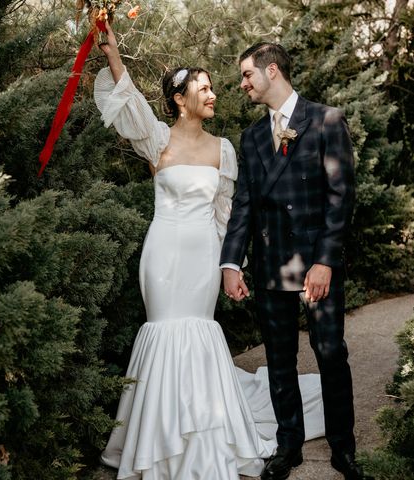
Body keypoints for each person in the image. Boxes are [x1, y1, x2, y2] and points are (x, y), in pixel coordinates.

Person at [94, 23, 325, 479]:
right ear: (181, 99)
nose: (214, 93)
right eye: (204, 88)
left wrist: (231, 266)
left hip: (203, 254)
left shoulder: (224, 149)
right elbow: (129, 97)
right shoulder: (156, 139)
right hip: (162, 252)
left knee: (199, 331)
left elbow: (227, 215)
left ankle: (205, 437)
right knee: (162, 329)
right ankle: (157, 442)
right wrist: (112, 50)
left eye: (214, 87)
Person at [221, 42, 367, 480]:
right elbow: (243, 205)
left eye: (247, 75)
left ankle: (344, 449)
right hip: (269, 266)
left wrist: (324, 261)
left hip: (316, 265)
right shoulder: (251, 136)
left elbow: (341, 198)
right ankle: (288, 448)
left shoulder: (326, 120)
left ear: (271, 71)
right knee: (280, 360)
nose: (243, 83)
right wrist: (231, 263)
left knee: (330, 355)